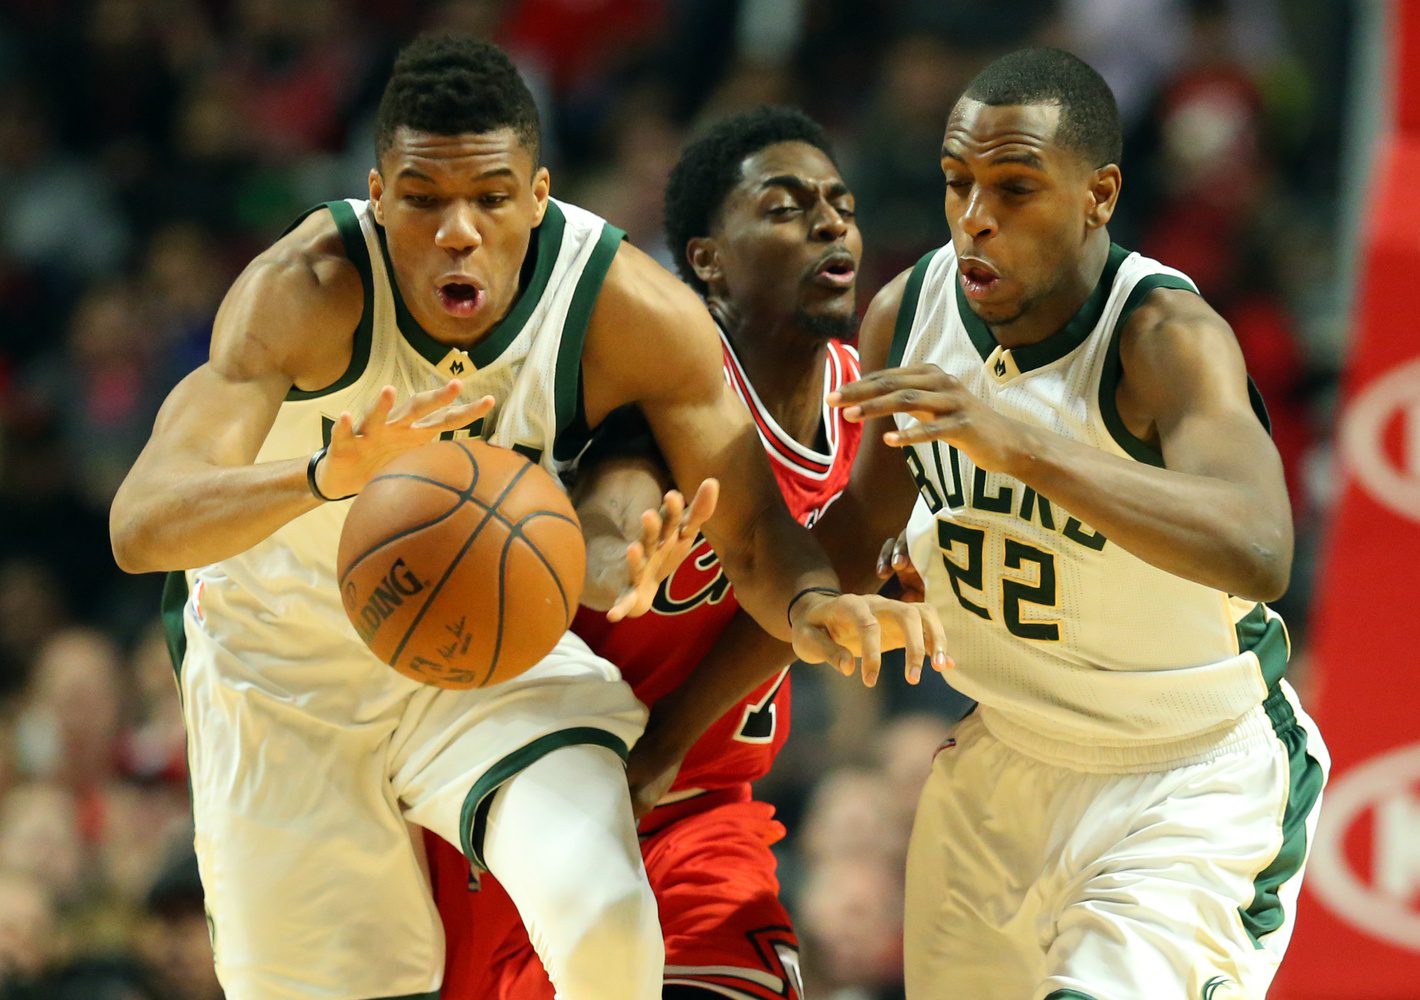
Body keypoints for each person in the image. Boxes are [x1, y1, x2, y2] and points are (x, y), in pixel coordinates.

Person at [108, 37, 942, 1000]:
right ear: (378, 196)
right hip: (282, 674)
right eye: (423, 200)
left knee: (603, 917)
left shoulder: (626, 306)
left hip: (482, 652)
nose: (458, 232)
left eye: (492, 199)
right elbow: (141, 524)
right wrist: (326, 475)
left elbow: (754, 530)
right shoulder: (307, 289)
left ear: (538, 196)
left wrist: (804, 612)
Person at [825, 47, 1329, 998]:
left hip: (1184, 779)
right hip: (1001, 763)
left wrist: (1022, 447)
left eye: (1015, 188)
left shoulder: (1162, 337)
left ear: (1098, 194)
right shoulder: (910, 312)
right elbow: (855, 537)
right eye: (956, 183)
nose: (976, 217)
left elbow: (1261, 549)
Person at [428, 104, 876, 1000]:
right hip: (547, 803)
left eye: (840, 203)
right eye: (786, 208)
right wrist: (617, 562)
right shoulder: (668, 380)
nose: (830, 222)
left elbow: (802, 596)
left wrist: (672, 744)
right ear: (706, 259)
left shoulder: (860, 402)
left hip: (705, 809)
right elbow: (613, 500)